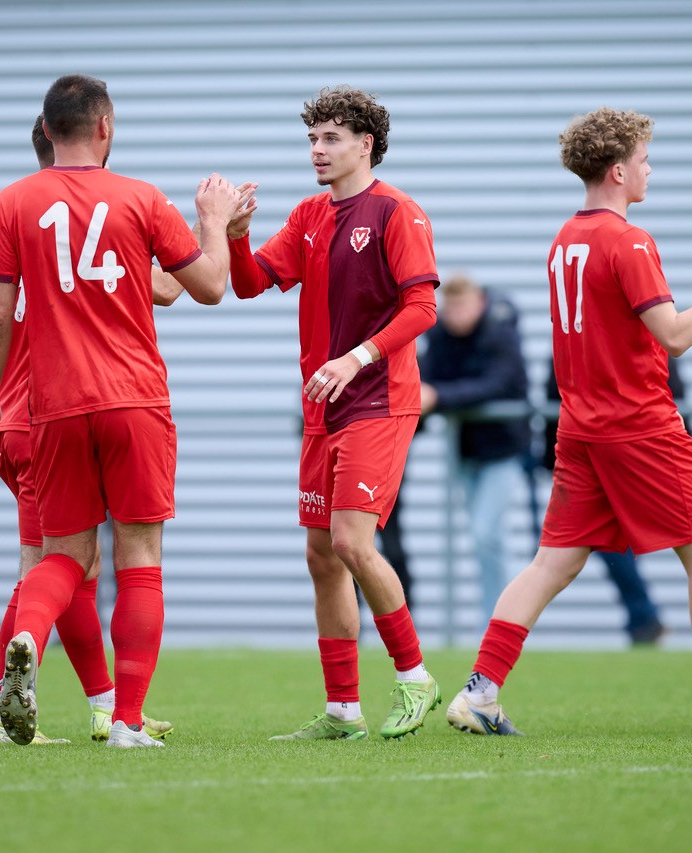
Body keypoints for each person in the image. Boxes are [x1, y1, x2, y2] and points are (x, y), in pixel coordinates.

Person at [444, 106, 692, 737]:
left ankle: (480, 692)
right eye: (644, 160)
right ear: (617, 171)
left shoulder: (564, 238)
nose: (649, 170)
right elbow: (675, 335)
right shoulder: (629, 241)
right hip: (641, 427)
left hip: (580, 428)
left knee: (552, 564)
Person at [0, 74, 241, 749]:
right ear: (105, 127)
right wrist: (214, 223)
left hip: (53, 406)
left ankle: (27, 638)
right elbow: (209, 286)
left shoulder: (13, 201)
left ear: (46, 129)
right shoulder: (141, 198)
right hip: (133, 398)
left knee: (63, 555)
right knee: (139, 555)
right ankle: (125, 720)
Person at [0, 113, 182, 744]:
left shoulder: (13, 220)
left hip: (28, 419)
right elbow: (180, 287)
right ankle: (5, 711)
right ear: (99, 131)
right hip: (65, 408)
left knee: (69, 565)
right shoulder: (117, 212)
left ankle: (100, 703)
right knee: (66, 564)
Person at [229, 86, 441, 742]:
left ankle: (415, 677)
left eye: (330, 139)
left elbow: (423, 309)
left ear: (365, 144)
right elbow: (249, 283)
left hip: (379, 401)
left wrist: (356, 357)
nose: (317, 150)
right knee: (322, 555)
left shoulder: (396, 211)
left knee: (351, 542)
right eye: (312, 139)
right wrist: (235, 237)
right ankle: (343, 710)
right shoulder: (308, 215)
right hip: (324, 408)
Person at [542, 355, 688, 645]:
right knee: (597, 544)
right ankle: (644, 617)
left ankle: (644, 617)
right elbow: (557, 397)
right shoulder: (571, 340)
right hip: (597, 457)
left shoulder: (651, 341)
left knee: (596, 544)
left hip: (637, 456)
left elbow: (672, 395)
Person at [419, 272, 530, 630]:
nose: (456, 315)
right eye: (450, 308)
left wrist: (439, 396)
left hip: (504, 450)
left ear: (480, 303)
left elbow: (496, 383)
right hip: (465, 451)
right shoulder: (438, 335)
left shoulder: (500, 331)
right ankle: (498, 623)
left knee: (486, 535)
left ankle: (504, 623)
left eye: (462, 307)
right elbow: (426, 377)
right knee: (486, 539)